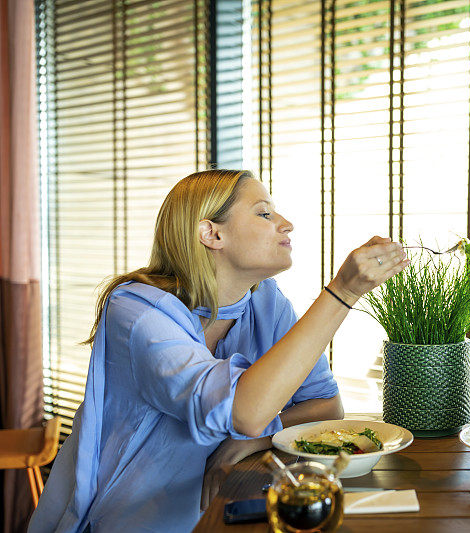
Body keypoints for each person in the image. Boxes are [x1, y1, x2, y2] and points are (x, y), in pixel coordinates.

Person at [29, 170, 409, 533]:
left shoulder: (266, 303)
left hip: (224, 513)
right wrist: (342, 293)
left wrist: (250, 442)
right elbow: (244, 411)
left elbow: (324, 409)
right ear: (211, 233)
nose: (286, 223)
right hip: (133, 521)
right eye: (264, 213)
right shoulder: (136, 311)